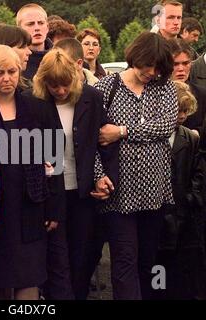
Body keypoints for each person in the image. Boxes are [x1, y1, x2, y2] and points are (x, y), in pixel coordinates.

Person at [0, 44, 61, 300]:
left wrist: (53, 208)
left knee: (28, 279)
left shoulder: (38, 108)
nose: (6, 78)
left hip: (30, 209)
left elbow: (55, 161)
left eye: (11, 71)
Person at [94, 31, 178, 300]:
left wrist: (121, 131)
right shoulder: (106, 88)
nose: (151, 72)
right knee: (124, 260)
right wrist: (98, 175)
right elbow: (90, 139)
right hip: (118, 193)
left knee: (148, 260)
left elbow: (165, 126)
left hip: (155, 193)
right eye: (147, 65)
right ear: (135, 58)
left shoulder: (165, 87)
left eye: (158, 68)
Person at [33, 48, 119, 299]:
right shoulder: (34, 102)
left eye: (65, 85)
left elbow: (103, 143)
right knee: (56, 261)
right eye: (54, 86)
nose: (60, 91)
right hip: (51, 194)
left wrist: (105, 177)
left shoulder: (91, 97)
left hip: (83, 192)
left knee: (82, 257)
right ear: (44, 83)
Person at [155, 80, 205, 299]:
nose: (183, 115)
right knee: (158, 265)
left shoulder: (189, 138)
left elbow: (198, 172)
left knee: (180, 265)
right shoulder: (154, 135)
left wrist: (190, 198)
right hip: (157, 211)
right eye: (179, 110)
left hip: (182, 212)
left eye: (186, 111)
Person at [169, 38, 206, 135]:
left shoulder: (202, 94)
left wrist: (197, 132)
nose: (181, 69)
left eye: (185, 63)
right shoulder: (153, 92)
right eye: (175, 64)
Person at [16, 3, 52, 81]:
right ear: (19, 29)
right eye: (30, 24)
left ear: (47, 27)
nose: (37, 28)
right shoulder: (14, 60)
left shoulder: (61, 57)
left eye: (41, 23)